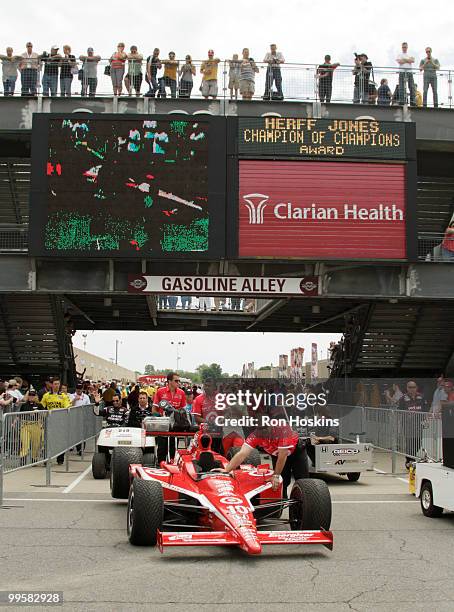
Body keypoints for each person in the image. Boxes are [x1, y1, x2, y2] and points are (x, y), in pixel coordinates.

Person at [221, 416, 309, 498]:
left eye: (265, 428)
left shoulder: (283, 430)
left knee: (302, 480)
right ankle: (282, 501)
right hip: (277, 453)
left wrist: (276, 475)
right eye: (260, 429)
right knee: (282, 481)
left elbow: (283, 456)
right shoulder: (255, 435)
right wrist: (226, 470)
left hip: (296, 451)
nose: (263, 431)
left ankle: (305, 501)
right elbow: (242, 454)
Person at [153, 372, 187, 462]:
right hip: (163, 425)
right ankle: (161, 466)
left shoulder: (182, 393)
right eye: (176, 381)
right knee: (162, 448)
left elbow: (184, 411)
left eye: (179, 381)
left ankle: (174, 466)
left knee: (174, 448)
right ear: (169, 381)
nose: (178, 383)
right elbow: (154, 409)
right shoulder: (160, 391)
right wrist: (160, 417)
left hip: (176, 426)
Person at [40, 378, 71, 464]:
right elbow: (42, 406)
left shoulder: (63, 396)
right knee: (48, 440)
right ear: (52, 385)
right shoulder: (46, 395)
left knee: (60, 440)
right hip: (50, 421)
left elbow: (67, 406)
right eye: (55, 384)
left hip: (60, 421)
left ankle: (60, 459)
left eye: (58, 384)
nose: (57, 385)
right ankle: (47, 459)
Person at [399, 381, 429, 468]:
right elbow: (399, 412)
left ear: (417, 388)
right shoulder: (403, 399)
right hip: (407, 425)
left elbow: (425, 409)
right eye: (410, 387)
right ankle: (409, 461)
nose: (412, 389)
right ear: (407, 388)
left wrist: (426, 420)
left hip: (419, 424)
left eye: (414, 387)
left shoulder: (421, 397)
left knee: (418, 443)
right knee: (409, 443)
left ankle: (412, 458)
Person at [396, 42, 415, 106]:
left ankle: (412, 101)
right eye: (403, 47)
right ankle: (401, 101)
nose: (404, 48)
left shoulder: (410, 54)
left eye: (405, 47)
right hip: (402, 72)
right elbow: (399, 62)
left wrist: (404, 59)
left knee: (412, 86)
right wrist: (408, 60)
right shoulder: (399, 54)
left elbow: (412, 61)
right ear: (402, 47)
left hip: (409, 72)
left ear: (407, 47)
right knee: (401, 87)